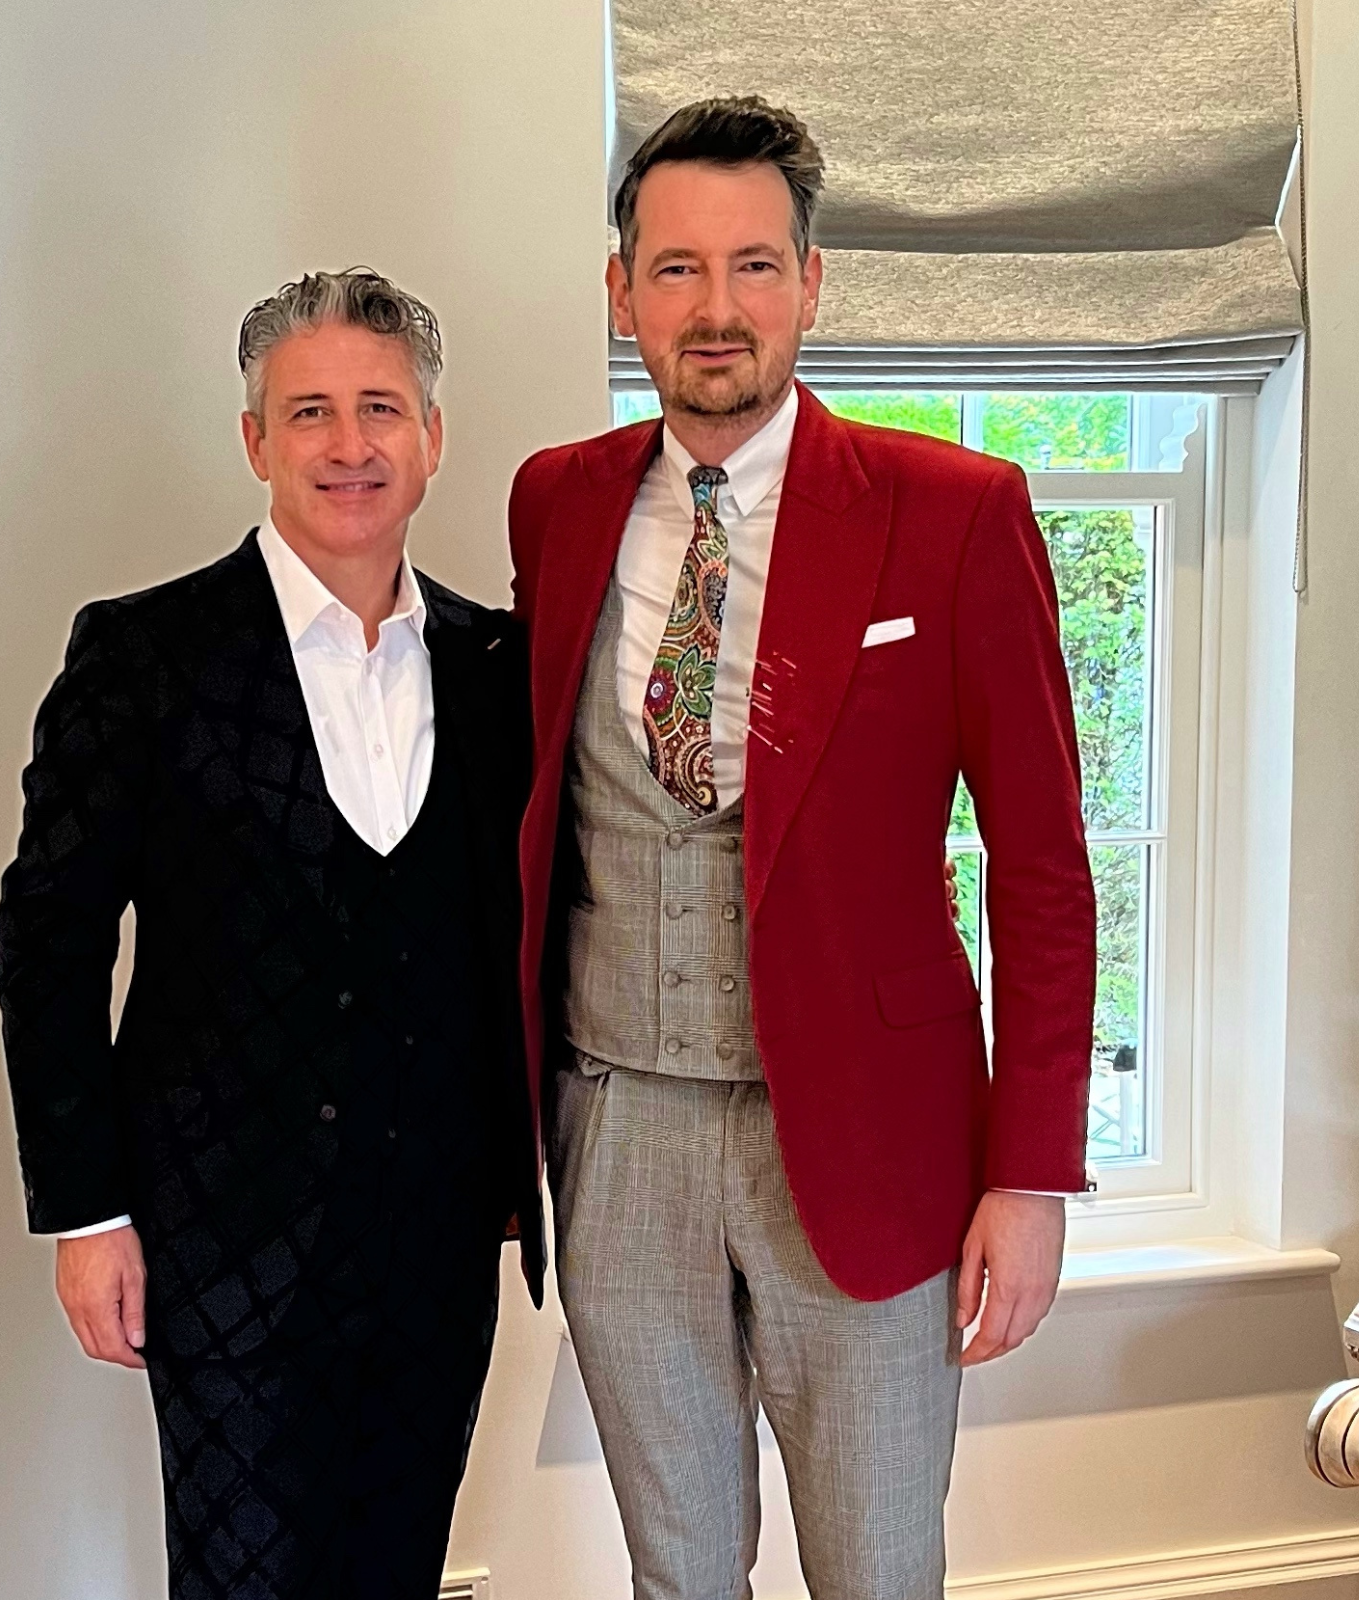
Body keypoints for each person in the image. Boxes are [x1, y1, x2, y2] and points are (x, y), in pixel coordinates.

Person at [509, 98, 1096, 1599]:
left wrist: (1031, 1175)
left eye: (755, 266)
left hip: (867, 1140)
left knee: (879, 1571)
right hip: (618, 1128)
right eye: (678, 268)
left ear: (813, 284)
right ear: (623, 291)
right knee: (676, 1575)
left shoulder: (954, 512)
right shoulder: (558, 502)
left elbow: (1042, 868)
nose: (717, 309)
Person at [0, 269, 541, 1600]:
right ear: (255, 440)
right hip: (220, 1239)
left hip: (437, 1237)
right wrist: (87, 1212)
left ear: (432, 436)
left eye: (381, 408)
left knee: (397, 1569)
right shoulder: (145, 655)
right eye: (310, 412)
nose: (350, 444)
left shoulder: (497, 668)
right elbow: (50, 936)